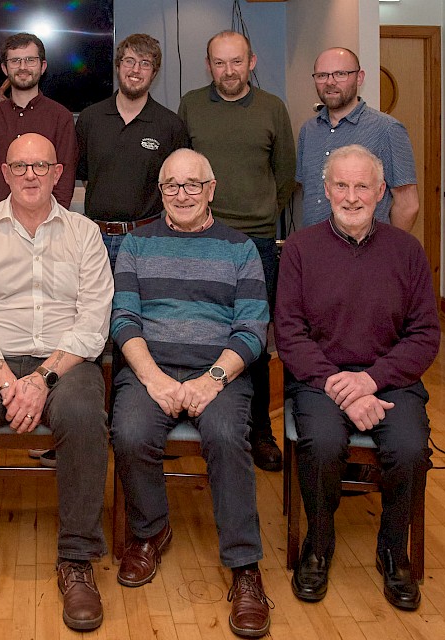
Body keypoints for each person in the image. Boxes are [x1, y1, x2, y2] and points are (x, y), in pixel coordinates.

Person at [0, 134, 113, 631]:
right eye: (21, 167)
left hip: (65, 359)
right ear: (4, 174)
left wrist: (43, 378)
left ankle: (77, 561)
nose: (31, 175)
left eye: (41, 166)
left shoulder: (84, 232)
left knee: (81, 416)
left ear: (57, 174)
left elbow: (93, 321)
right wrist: (11, 381)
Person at [110, 148, 272, 638]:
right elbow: (123, 319)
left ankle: (245, 567)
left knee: (225, 437)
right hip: (150, 368)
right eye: (172, 186)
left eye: (192, 185)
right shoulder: (136, 245)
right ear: (160, 192)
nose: (182, 195)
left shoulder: (241, 248)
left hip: (218, 372)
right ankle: (150, 530)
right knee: (130, 431)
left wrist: (211, 381)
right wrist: (155, 378)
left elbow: (252, 329)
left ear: (212, 189)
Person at [275, 144, 438, 612]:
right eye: (341, 186)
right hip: (319, 381)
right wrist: (338, 385)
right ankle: (318, 546)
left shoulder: (407, 251)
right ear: (325, 191)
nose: (351, 196)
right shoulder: (301, 249)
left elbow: (426, 335)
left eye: (362, 186)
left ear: (381, 191)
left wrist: (370, 381)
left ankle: (393, 550)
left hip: (391, 381)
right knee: (323, 444)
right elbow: (289, 332)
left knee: (409, 448)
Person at [178, 30, 296, 472]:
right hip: (200, 237)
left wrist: (260, 212)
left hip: (256, 242)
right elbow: (182, 170)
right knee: (197, 330)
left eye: (236, 62)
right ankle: (195, 415)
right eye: (219, 63)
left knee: (252, 340)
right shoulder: (191, 104)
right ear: (209, 66)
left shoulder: (272, 108)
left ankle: (259, 430)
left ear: (252, 62)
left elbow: (285, 174)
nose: (228, 71)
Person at [76, 33, 189, 267]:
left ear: (154, 73)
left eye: (145, 63)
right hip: (95, 239)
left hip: (148, 239)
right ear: (118, 66)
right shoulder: (90, 119)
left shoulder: (170, 125)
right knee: (98, 304)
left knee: (143, 304)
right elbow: (87, 177)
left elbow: (179, 185)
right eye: (129, 61)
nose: (136, 70)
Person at [297, 47, 418, 230]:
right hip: (313, 250)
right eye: (322, 75)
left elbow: (408, 204)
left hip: (366, 251)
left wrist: (389, 250)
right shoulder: (308, 131)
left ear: (359, 77)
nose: (330, 82)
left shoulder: (387, 130)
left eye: (340, 74)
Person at [0, 32, 77, 212]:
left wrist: (50, 220)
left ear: (42, 66)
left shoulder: (61, 117)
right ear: (5, 68)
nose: (23, 67)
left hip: (47, 225)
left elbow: (65, 178)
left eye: (30, 60)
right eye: (15, 61)